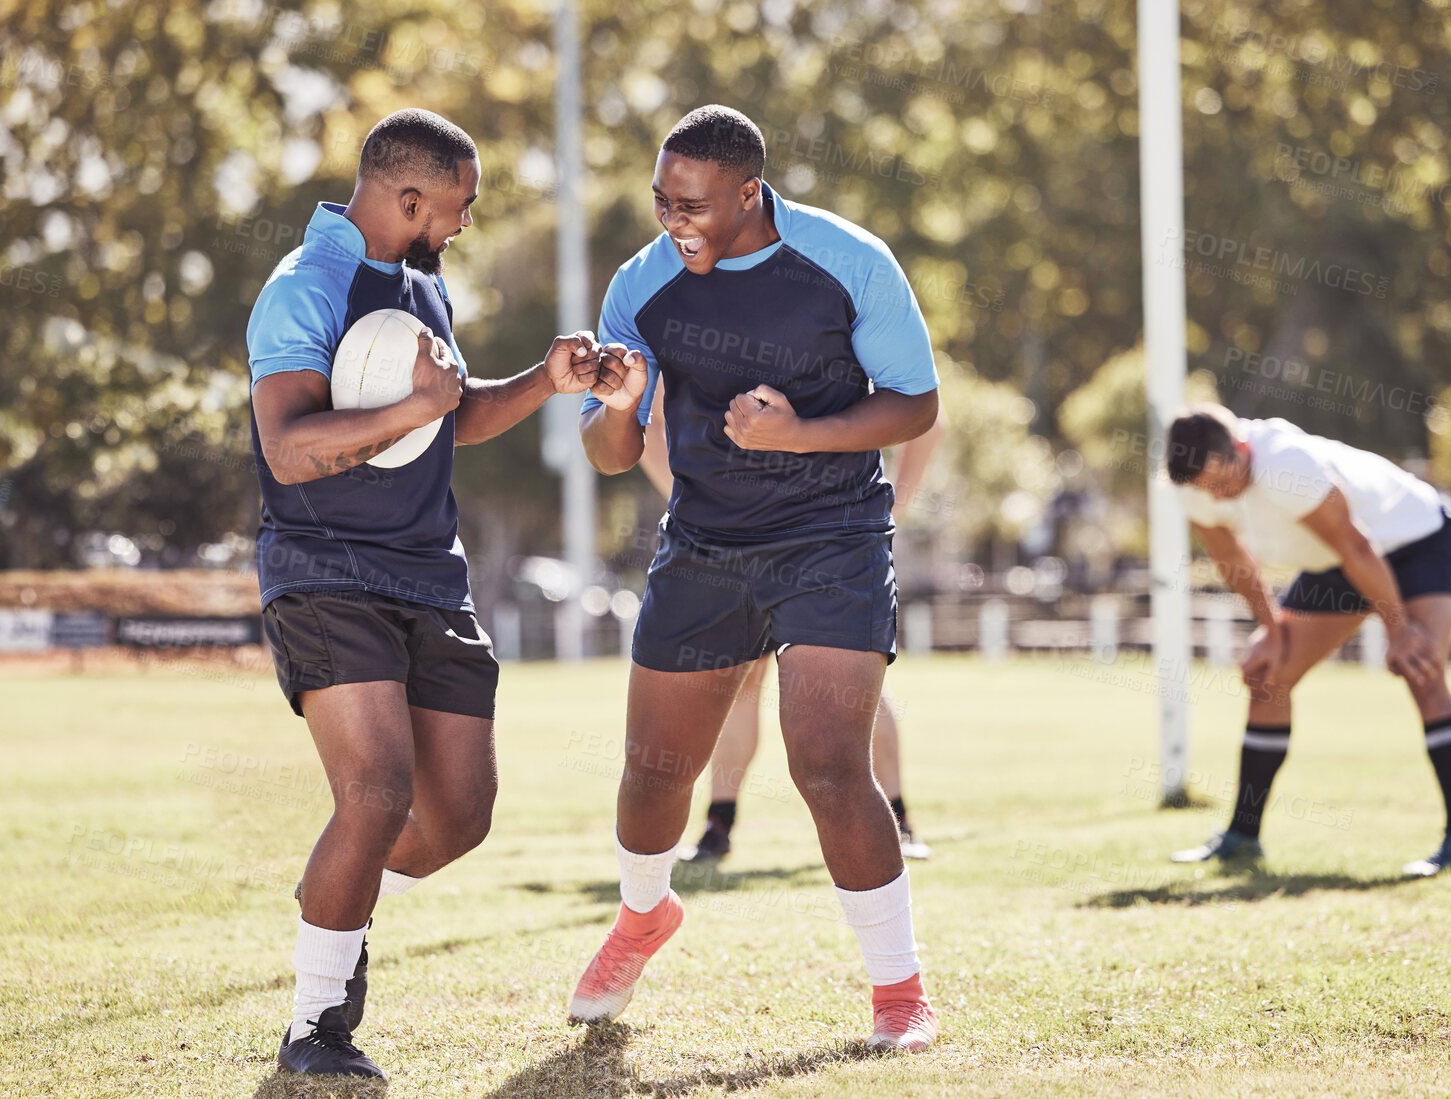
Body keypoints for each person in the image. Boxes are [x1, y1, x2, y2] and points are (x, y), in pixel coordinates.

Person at [572, 105, 941, 1051]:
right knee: (654, 772)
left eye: (692, 205)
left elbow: (915, 403)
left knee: (825, 762)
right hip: (704, 543)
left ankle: (898, 991)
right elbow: (612, 452)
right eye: (660, 201)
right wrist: (615, 405)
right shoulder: (641, 286)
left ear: (749, 193)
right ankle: (642, 914)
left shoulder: (849, 261)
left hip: (833, 538)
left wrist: (800, 434)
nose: (673, 222)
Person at [246, 108, 597, 1079]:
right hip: (324, 570)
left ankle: (339, 893)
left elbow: (450, 417)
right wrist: (413, 403)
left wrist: (544, 380)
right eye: (458, 209)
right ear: (409, 197)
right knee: (375, 789)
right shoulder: (302, 287)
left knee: (457, 818)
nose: (463, 228)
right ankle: (317, 1023)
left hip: (427, 575)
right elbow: (289, 446)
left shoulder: (419, 288)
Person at [1163, 403, 1451, 878]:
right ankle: (1243, 836)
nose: (1220, 494)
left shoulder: (1286, 463)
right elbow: (1233, 559)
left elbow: (1357, 545)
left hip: (1415, 541)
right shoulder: (1193, 485)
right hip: (1336, 560)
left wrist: (1398, 632)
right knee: (1269, 677)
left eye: (1222, 478)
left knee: (1421, 671)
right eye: (1208, 487)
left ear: (1241, 448)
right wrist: (1271, 631)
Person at [633, 384, 944, 863]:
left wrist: (891, 507)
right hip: (735, 546)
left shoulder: (842, 330)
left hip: (828, 543)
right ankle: (719, 825)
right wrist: (689, 500)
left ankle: (898, 820)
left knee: (851, 686)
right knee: (741, 685)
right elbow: (647, 420)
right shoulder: (701, 335)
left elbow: (926, 418)